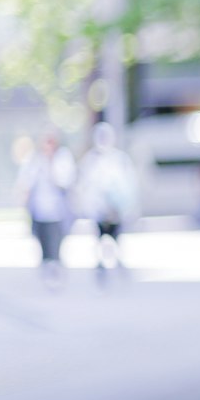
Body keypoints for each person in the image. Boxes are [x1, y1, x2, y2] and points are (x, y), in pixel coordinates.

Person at [78, 121, 140, 282]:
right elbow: (86, 185)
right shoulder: (91, 160)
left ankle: (117, 264)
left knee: (116, 237)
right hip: (98, 209)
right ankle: (101, 268)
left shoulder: (119, 158)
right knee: (100, 238)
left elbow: (129, 183)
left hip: (116, 208)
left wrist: (128, 206)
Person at [16, 131, 76, 285]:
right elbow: (26, 181)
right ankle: (47, 267)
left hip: (57, 210)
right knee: (42, 240)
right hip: (38, 210)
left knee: (55, 240)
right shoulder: (35, 159)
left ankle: (55, 269)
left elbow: (65, 180)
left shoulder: (62, 158)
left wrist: (51, 165)